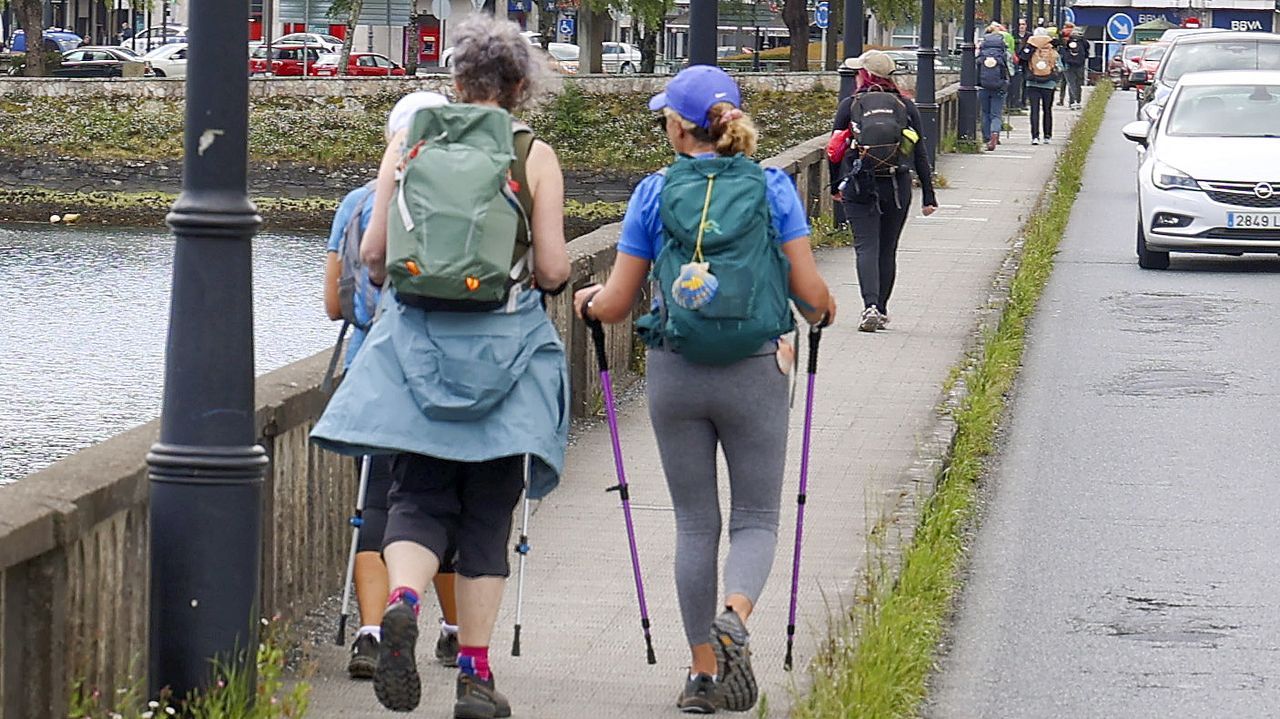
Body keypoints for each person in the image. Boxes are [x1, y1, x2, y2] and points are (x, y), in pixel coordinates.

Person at [311, 14, 571, 719]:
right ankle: (477, 676)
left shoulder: (408, 144)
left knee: (417, 498)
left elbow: (371, 255)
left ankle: (400, 602)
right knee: (486, 514)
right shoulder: (533, 154)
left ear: (455, 80)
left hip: (417, 350)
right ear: (519, 86)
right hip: (503, 354)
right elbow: (551, 267)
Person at [572, 65, 837, 714]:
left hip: (676, 371)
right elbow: (811, 296)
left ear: (679, 125)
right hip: (755, 369)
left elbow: (615, 303)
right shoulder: (772, 188)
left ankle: (700, 673)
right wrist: (824, 311)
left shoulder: (654, 193)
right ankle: (737, 615)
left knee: (695, 523)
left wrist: (587, 302)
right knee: (755, 518)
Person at [322, 91, 466, 681]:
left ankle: (370, 630)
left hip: (372, 371)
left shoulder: (357, 203)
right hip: (444, 376)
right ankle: (455, 632)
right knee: (442, 500)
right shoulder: (463, 202)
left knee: (374, 503)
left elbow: (335, 303)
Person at [830, 50, 938, 332]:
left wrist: (835, 186)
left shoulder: (850, 105)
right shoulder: (904, 106)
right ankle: (883, 308)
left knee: (866, 246)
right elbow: (920, 152)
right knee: (887, 249)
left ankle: (870, 306)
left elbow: (834, 151)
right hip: (897, 185)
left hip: (859, 184)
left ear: (864, 75)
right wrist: (929, 194)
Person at [1019, 28, 1064, 145]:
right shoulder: (1051, 48)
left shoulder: (1030, 46)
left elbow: (1021, 60)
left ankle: (1035, 136)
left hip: (1032, 83)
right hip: (1049, 84)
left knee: (1034, 110)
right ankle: (1047, 136)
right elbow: (1060, 67)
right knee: (1047, 110)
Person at [978, 23, 1013, 151]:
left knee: (985, 113)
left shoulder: (981, 52)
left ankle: (986, 138)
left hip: (983, 86)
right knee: (996, 114)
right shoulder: (1004, 53)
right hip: (999, 86)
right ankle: (995, 135)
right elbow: (1011, 69)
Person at [1058, 22, 1090, 109]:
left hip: (1069, 64)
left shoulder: (1066, 38)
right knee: (1078, 83)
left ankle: (1072, 102)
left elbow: (1063, 50)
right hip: (1080, 64)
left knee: (1070, 83)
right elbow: (1087, 52)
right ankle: (1078, 101)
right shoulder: (1083, 41)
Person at [1008, 17, 1031, 111]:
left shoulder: (1029, 36)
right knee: (1014, 82)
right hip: (1015, 60)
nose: (1021, 26)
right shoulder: (1013, 35)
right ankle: (1013, 102)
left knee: (1025, 82)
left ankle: (1023, 102)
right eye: (1019, 24)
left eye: (1023, 24)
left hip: (1026, 61)